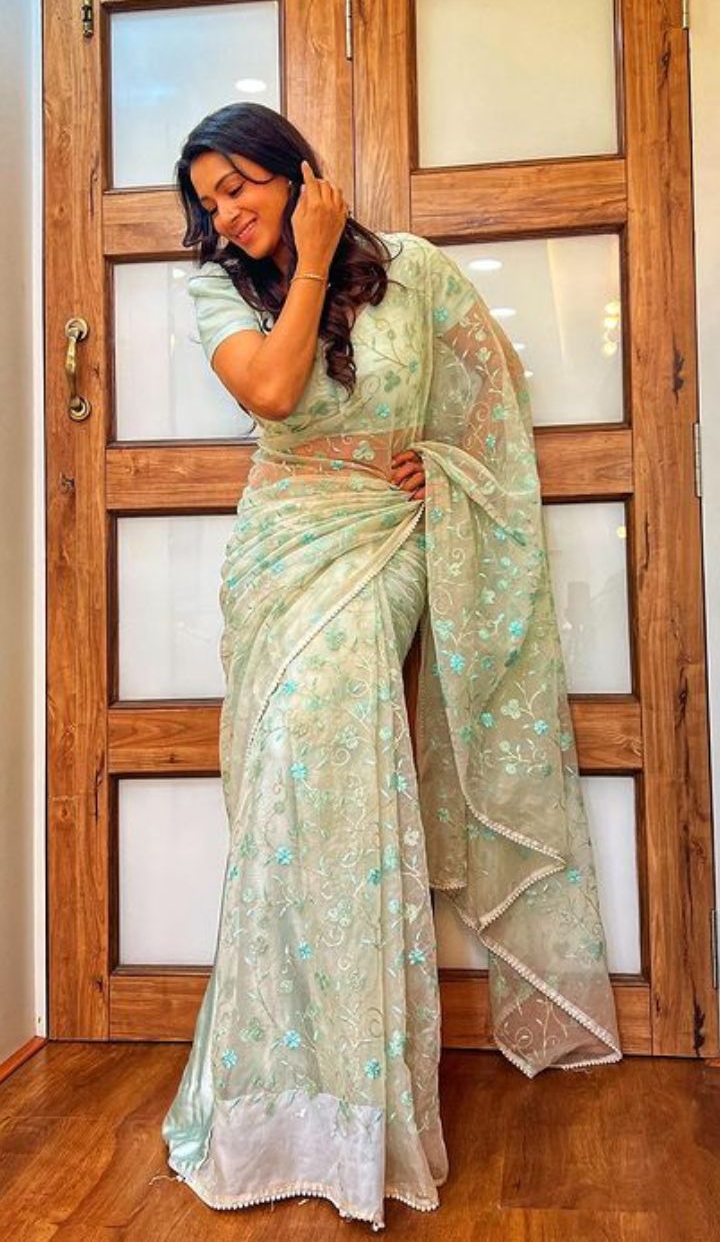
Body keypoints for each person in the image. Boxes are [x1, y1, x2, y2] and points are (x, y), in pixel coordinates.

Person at [160, 101, 622, 1230]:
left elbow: (493, 390)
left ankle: (361, 1104)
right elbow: (274, 392)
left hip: (384, 543)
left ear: (294, 169)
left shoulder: (413, 270)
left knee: (352, 787)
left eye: (239, 185)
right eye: (210, 200)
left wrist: (442, 458)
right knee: (287, 796)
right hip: (284, 547)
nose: (226, 213)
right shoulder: (218, 292)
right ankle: (272, 1100)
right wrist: (310, 258)